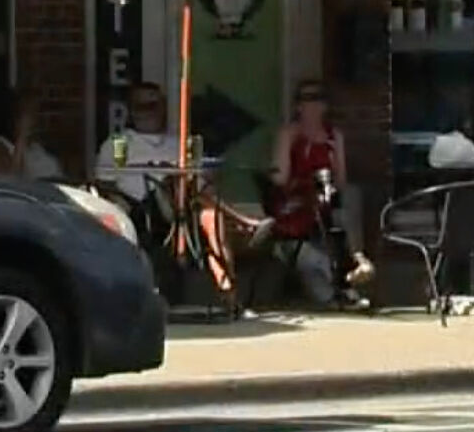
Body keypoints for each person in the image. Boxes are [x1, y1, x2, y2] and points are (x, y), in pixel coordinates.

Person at [109, 81, 259, 295]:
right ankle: (244, 222)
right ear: (131, 110)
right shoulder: (119, 143)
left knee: (212, 217)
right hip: (145, 209)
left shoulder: (178, 142)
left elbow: (199, 176)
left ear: (162, 107)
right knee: (174, 180)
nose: (148, 112)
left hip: (187, 207)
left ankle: (228, 294)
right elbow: (107, 182)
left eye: (153, 105)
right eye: (141, 106)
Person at [267, 81, 375, 304]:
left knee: (350, 196)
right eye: (308, 100)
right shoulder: (289, 134)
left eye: (319, 99)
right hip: (298, 204)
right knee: (322, 284)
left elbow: (341, 180)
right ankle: (345, 287)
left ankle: (357, 257)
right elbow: (279, 179)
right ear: (298, 106)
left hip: (326, 204)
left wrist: (329, 176)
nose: (314, 106)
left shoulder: (333, 137)